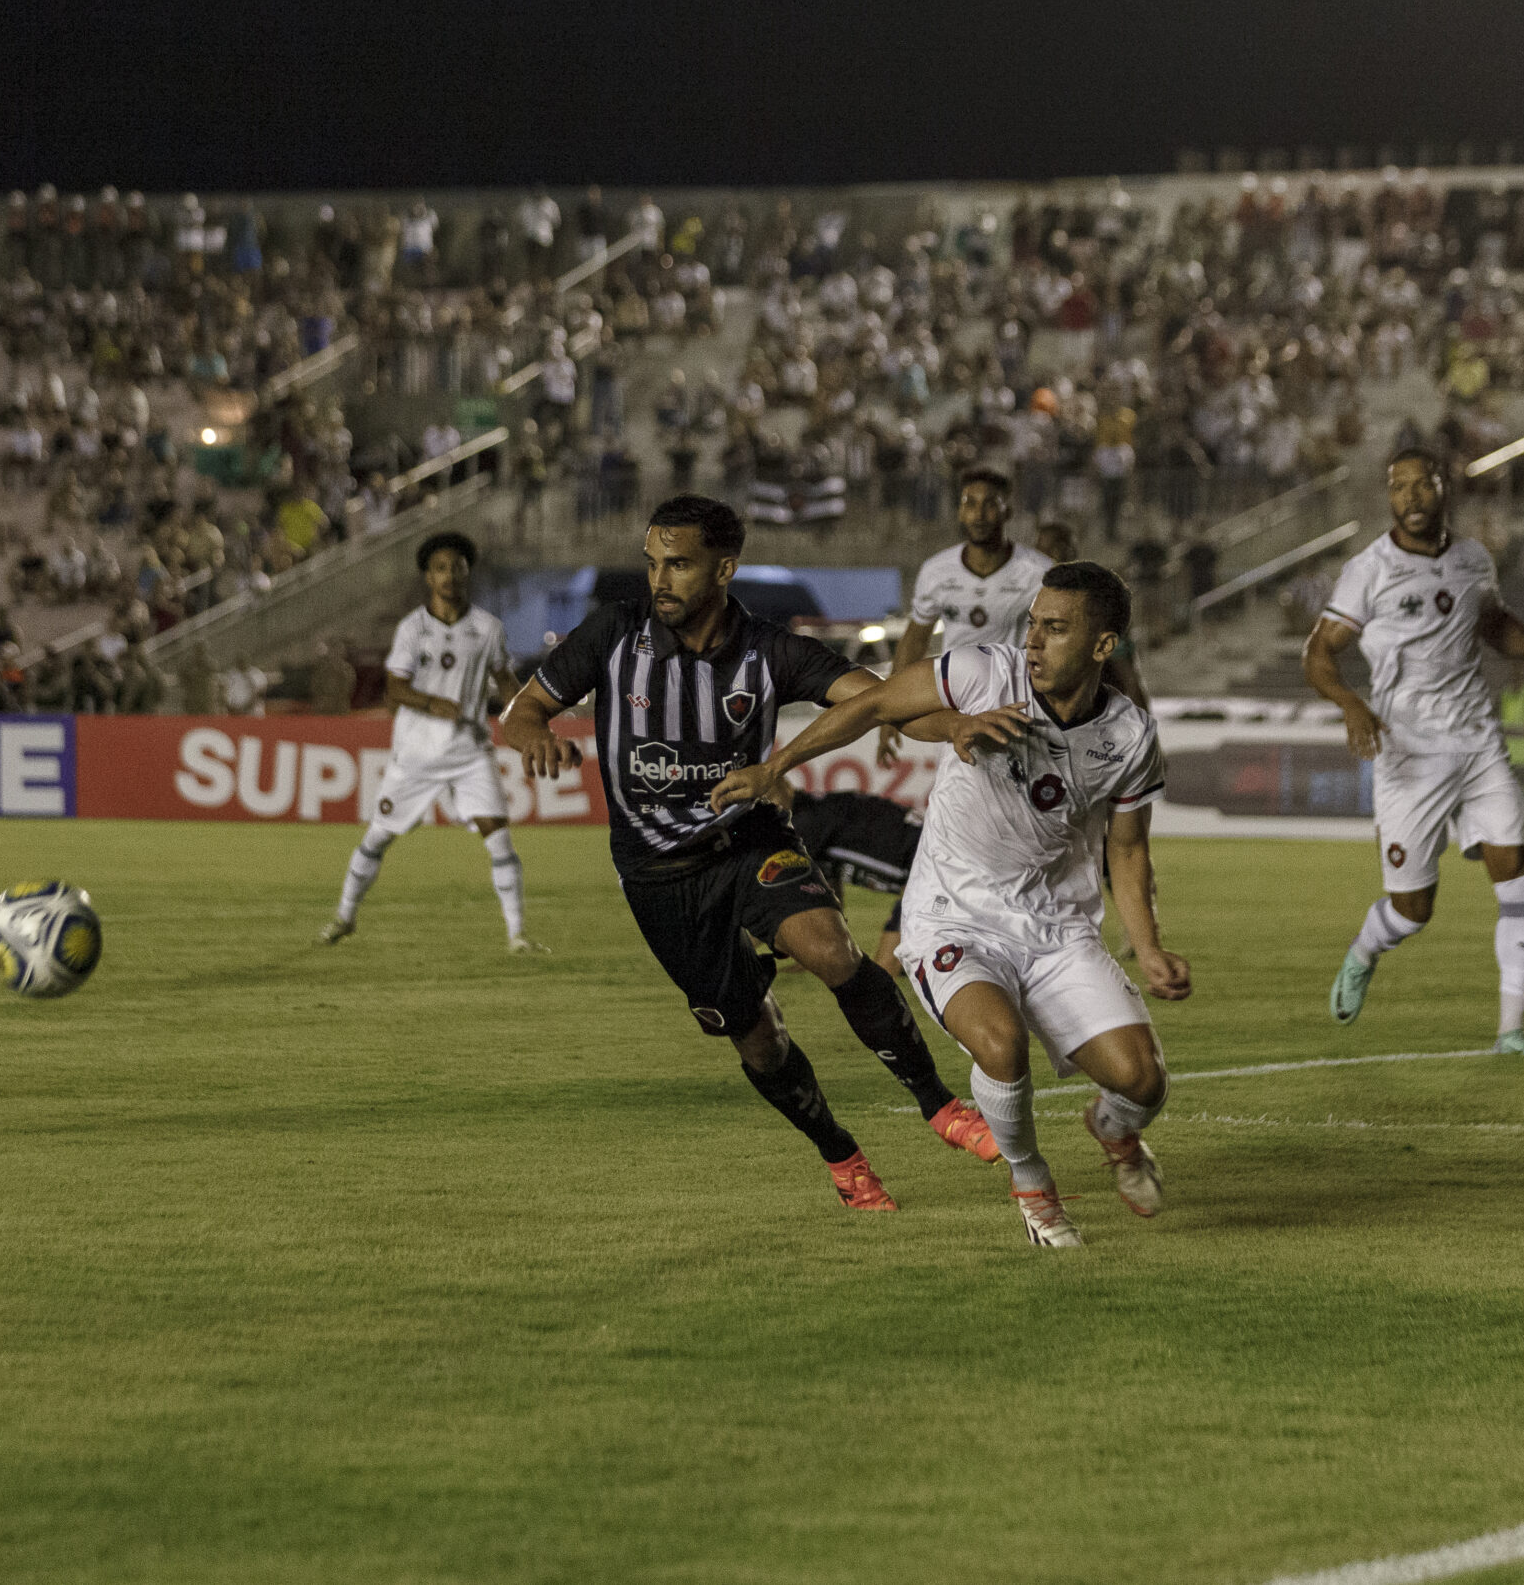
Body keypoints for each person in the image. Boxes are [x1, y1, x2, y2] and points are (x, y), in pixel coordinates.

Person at [498, 496, 999, 1213]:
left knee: (830, 950)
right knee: (757, 1039)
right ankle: (841, 1154)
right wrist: (536, 736)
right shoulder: (613, 632)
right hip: (658, 880)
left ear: (724, 569)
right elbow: (520, 714)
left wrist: (955, 724)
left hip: (748, 842)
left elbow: (879, 700)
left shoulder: (771, 650)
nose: (659, 580)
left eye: (678, 564)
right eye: (652, 563)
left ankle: (940, 1106)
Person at [711, 562, 1185, 1249]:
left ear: (1103, 646)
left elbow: (1129, 852)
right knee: (1000, 1044)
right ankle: (1033, 1187)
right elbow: (875, 704)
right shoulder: (982, 672)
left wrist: (1149, 949)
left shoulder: (1128, 737)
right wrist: (774, 768)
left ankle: (1113, 1132)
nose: (1034, 642)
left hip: (1056, 929)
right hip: (953, 914)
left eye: (1056, 630)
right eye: (1033, 625)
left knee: (1143, 1082)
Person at [1303, 447, 1524, 1051]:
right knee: (1413, 909)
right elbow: (1318, 653)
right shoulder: (1368, 570)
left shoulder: (1474, 557)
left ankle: (1511, 1031)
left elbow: (1491, 621)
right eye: (1397, 488)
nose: (1409, 498)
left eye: (1419, 485)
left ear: (1442, 486)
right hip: (1409, 751)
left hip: (1478, 742)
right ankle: (1365, 952)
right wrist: (1351, 704)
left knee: (1518, 877)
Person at [319, 532, 542, 953]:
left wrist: (529, 717)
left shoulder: (487, 628)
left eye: (457, 567)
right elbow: (394, 691)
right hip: (416, 753)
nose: (450, 576)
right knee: (378, 837)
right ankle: (344, 916)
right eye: (441, 569)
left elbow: (506, 681)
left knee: (498, 836)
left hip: (470, 750)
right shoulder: (411, 629)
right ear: (428, 576)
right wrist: (432, 702)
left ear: (466, 572)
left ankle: (517, 935)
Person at [878, 468, 1054, 760]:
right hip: (956, 711)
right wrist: (888, 713)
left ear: (1007, 510)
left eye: (989, 504)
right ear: (959, 511)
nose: (979, 514)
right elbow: (914, 641)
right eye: (969, 503)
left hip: (1019, 707)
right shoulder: (936, 571)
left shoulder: (1039, 572)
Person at [789, 786, 924, 975]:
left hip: (933, 868)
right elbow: (827, 891)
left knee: (885, 969)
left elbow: (775, 904)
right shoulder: (823, 814)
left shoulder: (805, 826)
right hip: (934, 854)